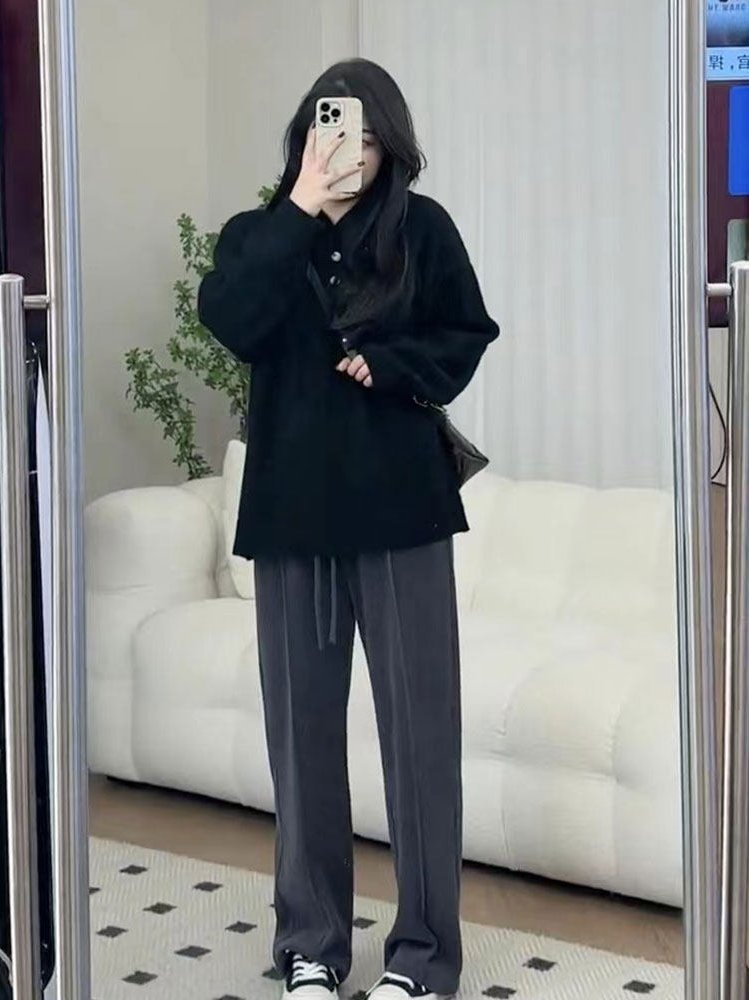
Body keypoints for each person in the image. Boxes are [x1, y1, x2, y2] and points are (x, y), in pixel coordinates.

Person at [197, 57, 499, 1000]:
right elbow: (231, 319)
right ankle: (312, 948)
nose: (352, 152)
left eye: (369, 136)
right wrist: (297, 208)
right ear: (306, 137)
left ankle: (423, 959)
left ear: (391, 145)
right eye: (335, 130)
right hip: (292, 521)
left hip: (403, 516)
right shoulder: (259, 236)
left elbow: (467, 334)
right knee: (301, 746)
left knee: (421, 741)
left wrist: (393, 363)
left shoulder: (421, 230)